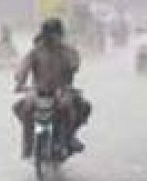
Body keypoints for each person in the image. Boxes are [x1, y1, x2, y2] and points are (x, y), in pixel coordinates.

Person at [14, 18, 91, 156]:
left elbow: (74, 65)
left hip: (62, 91)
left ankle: (69, 137)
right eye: (49, 35)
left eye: (55, 35)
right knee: (23, 108)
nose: (51, 39)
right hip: (39, 91)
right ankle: (28, 144)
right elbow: (23, 67)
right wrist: (20, 81)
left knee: (78, 108)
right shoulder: (36, 52)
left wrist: (67, 57)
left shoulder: (67, 51)